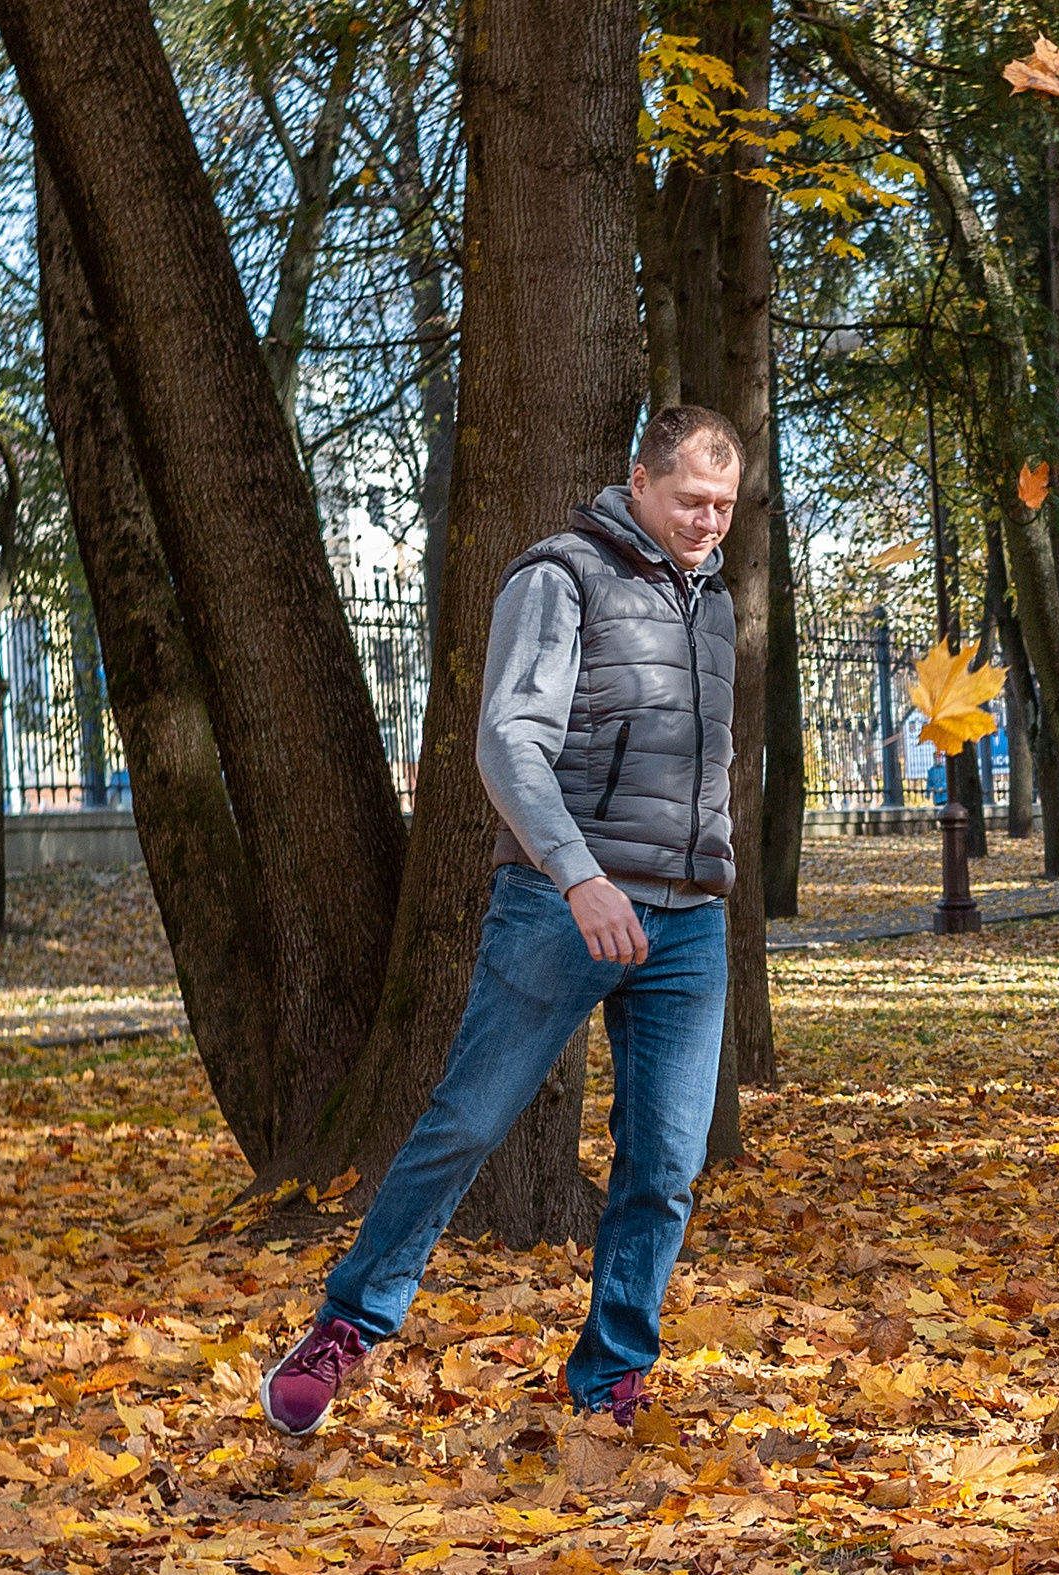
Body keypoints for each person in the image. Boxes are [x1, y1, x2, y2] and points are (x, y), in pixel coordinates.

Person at [262, 404, 746, 1437]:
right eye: (691, 499)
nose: (709, 520)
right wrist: (579, 876)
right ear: (639, 479)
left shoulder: (713, 605)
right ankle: (344, 1324)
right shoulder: (560, 575)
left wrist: (713, 864)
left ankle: (610, 1374)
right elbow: (508, 745)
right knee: (468, 1121)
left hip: (689, 921)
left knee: (665, 1165)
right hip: (562, 904)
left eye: (725, 505)